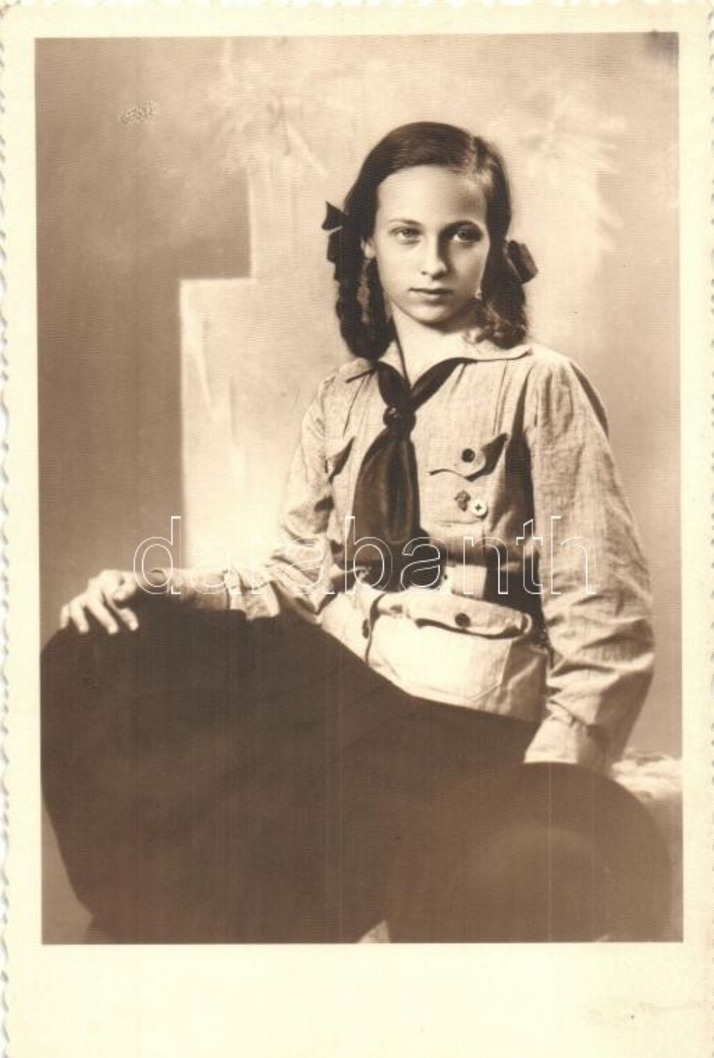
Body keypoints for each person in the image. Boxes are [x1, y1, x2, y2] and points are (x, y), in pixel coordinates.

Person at [42, 122, 667, 944]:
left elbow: (609, 622)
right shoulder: (341, 398)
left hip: (459, 717)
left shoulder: (539, 386)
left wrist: (545, 788)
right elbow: (291, 581)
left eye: (461, 236)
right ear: (368, 241)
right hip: (345, 694)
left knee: (263, 857)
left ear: (495, 246)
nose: (434, 262)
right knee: (98, 648)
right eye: (407, 234)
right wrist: (153, 590)